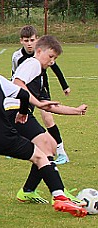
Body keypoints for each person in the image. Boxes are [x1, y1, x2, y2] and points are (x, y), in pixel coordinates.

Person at [0, 40, 87, 225]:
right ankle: (59, 196)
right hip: (5, 136)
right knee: (41, 157)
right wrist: (22, 113)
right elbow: (23, 94)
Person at [7, 35, 87, 204]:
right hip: (13, 112)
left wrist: (76, 111)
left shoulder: (40, 75)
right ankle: (60, 194)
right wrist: (35, 103)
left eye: (55, 59)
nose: (52, 62)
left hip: (20, 112)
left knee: (48, 147)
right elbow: (17, 83)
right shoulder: (33, 64)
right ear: (39, 51)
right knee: (46, 145)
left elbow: (48, 105)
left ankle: (28, 191)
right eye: (50, 56)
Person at [12, 25, 71, 165]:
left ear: (37, 41)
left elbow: (55, 68)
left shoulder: (43, 54)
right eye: (26, 41)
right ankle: (18, 147)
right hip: (25, 90)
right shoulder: (17, 56)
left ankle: (61, 151)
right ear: (21, 41)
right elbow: (16, 76)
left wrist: (65, 86)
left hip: (41, 88)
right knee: (22, 119)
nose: (29, 43)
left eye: (32, 40)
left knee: (47, 118)